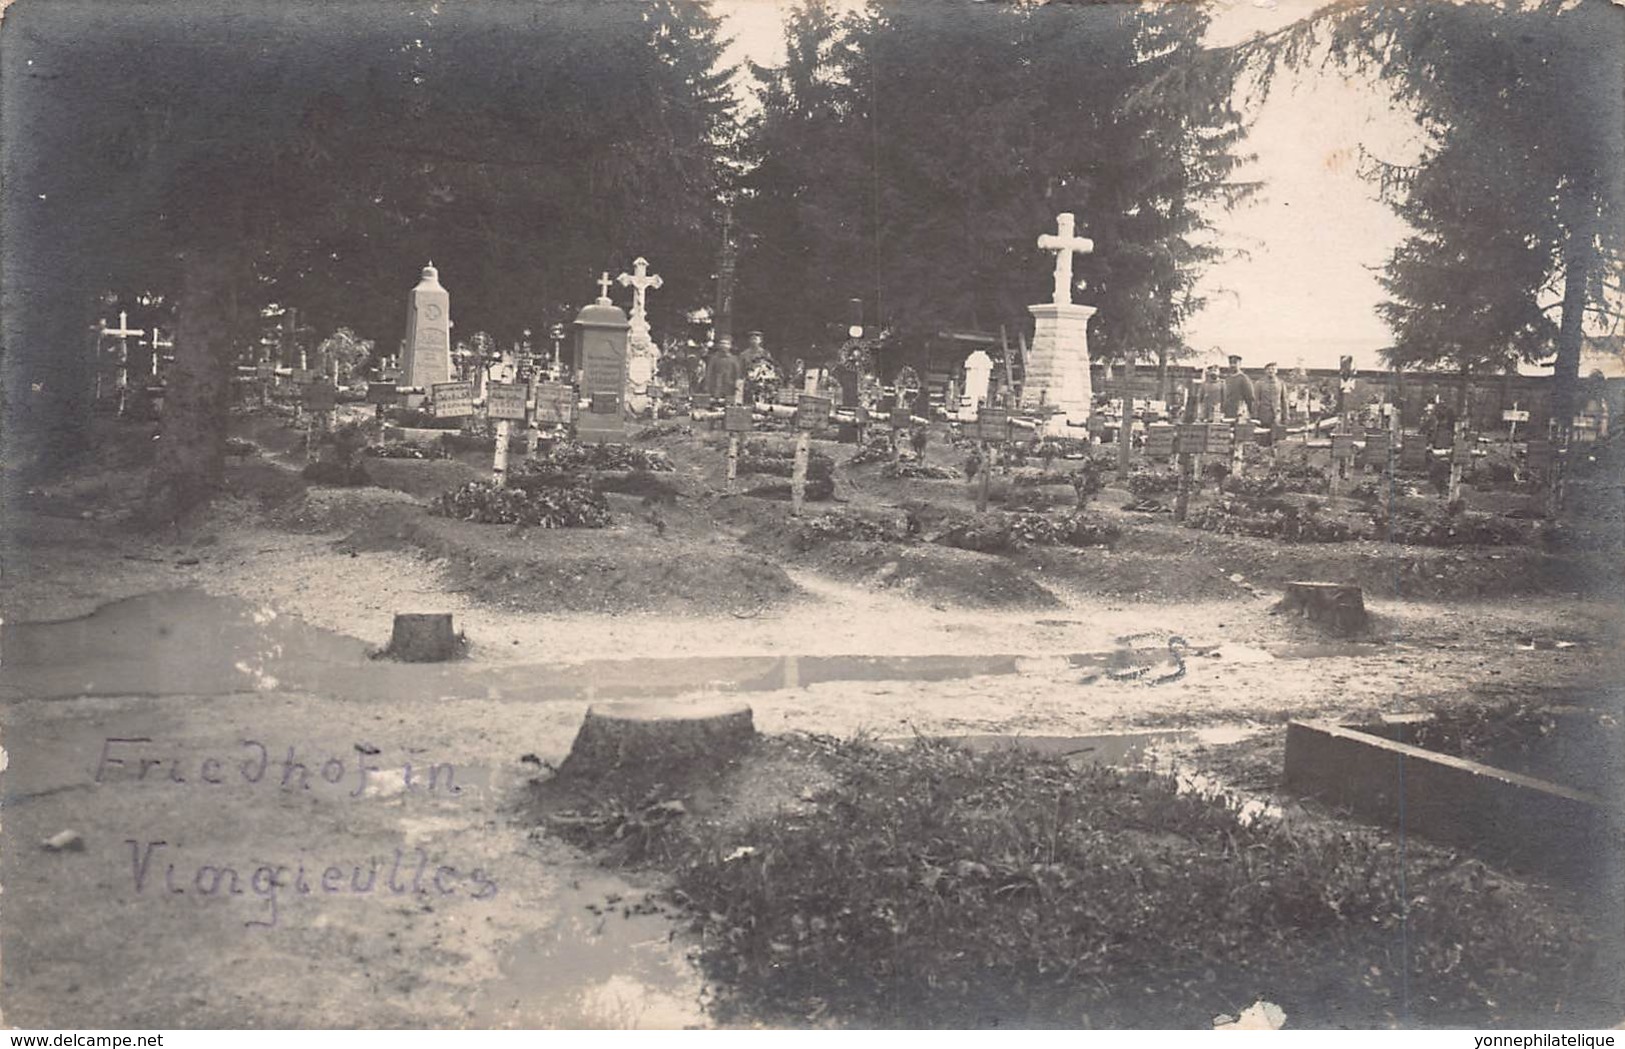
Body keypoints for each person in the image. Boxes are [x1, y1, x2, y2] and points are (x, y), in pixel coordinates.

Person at [1254, 361, 1289, 441]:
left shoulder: (1281, 383)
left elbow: (1284, 401)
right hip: (1263, 416)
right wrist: (1255, 416)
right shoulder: (1259, 384)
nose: (1271, 371)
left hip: (1277, 416)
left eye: (1273, 369)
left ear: (1276, 371)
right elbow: (1256, 401)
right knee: (1264, 438)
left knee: (1277, 438)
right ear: (1265, 371)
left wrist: (1286, 416)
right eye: (1268, 369)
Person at [1222, 354, 1255, 419]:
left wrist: (1250, 412)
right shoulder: (1228, 378)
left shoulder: (1244, 378)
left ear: (1240, 364)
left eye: (1235, 363)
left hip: (1239, 411)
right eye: (1231, 363)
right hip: (1228, 411)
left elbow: (1250, 397)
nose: (1232, 365)